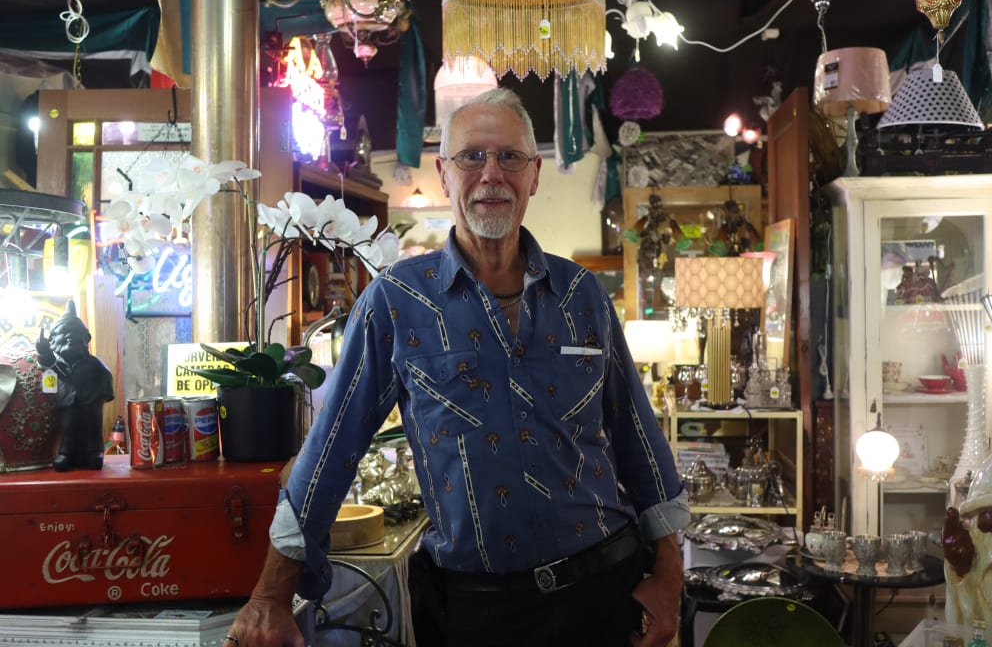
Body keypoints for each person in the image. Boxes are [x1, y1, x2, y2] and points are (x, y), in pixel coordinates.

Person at [224, 88, 688, 647]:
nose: (491, 174)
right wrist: (270, 597)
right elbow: (329, 453)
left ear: (534, 175)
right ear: (444, 174)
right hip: (475, 614)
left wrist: (668, 581)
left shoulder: (583, 295)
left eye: (509, 157)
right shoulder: (396, 302)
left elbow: (641, 444)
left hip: (605, 596)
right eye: (472, 157)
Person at [35, 299, 115, 472]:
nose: (70, 336)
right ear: (53, 340)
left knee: (92, 429)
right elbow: (49, 367)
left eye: (75, 332)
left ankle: (94, 453)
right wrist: (43, 352)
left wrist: (102, 395)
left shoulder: (93, 362)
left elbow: (106, 375)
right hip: (67, 402)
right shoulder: (59, 364)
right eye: (64, 332)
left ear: (86, 338)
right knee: (67, 428)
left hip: (90, 402)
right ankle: (66, 453)